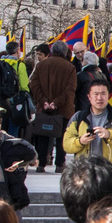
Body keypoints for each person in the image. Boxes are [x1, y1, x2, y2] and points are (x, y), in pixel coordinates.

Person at [64, 79, 112, 186]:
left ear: (108, 96)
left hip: (110, 175)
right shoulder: (79, 117)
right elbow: (66, 144)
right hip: (85, 176)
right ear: (89, 97)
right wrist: (80, 141)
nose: (99, 98)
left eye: (103, 94)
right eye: (96, 94)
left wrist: (110, 134)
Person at [30, 42, 78, 173]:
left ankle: (41, 163)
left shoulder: (41, 65)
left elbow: (34, 85)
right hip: (63, 109)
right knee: (62, 136)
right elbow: (70, 89)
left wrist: (44, 101)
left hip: (43, 108)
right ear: (64, 52)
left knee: (42, 136)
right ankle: (59, 163)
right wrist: (56, 102)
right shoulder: (70, 67)